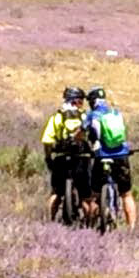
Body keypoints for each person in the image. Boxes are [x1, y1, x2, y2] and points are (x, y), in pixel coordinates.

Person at [84, 86, 136, 230]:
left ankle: (90, 225)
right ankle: (131, 227)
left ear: (92, 101)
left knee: (94, 194)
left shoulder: (92, 114)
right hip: (121, 155)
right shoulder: (115, 112)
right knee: (126, 194)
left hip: (101, 156)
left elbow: (82, 133)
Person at [40, 86, 90, 221]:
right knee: (86, 196)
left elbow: (47, 140)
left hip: (61, 159)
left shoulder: (57, 117)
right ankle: (89, 224)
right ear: (77, 101)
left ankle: (49, 220)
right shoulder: (84, 116)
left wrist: (48, 157)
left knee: (56, 193)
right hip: (81, 159)